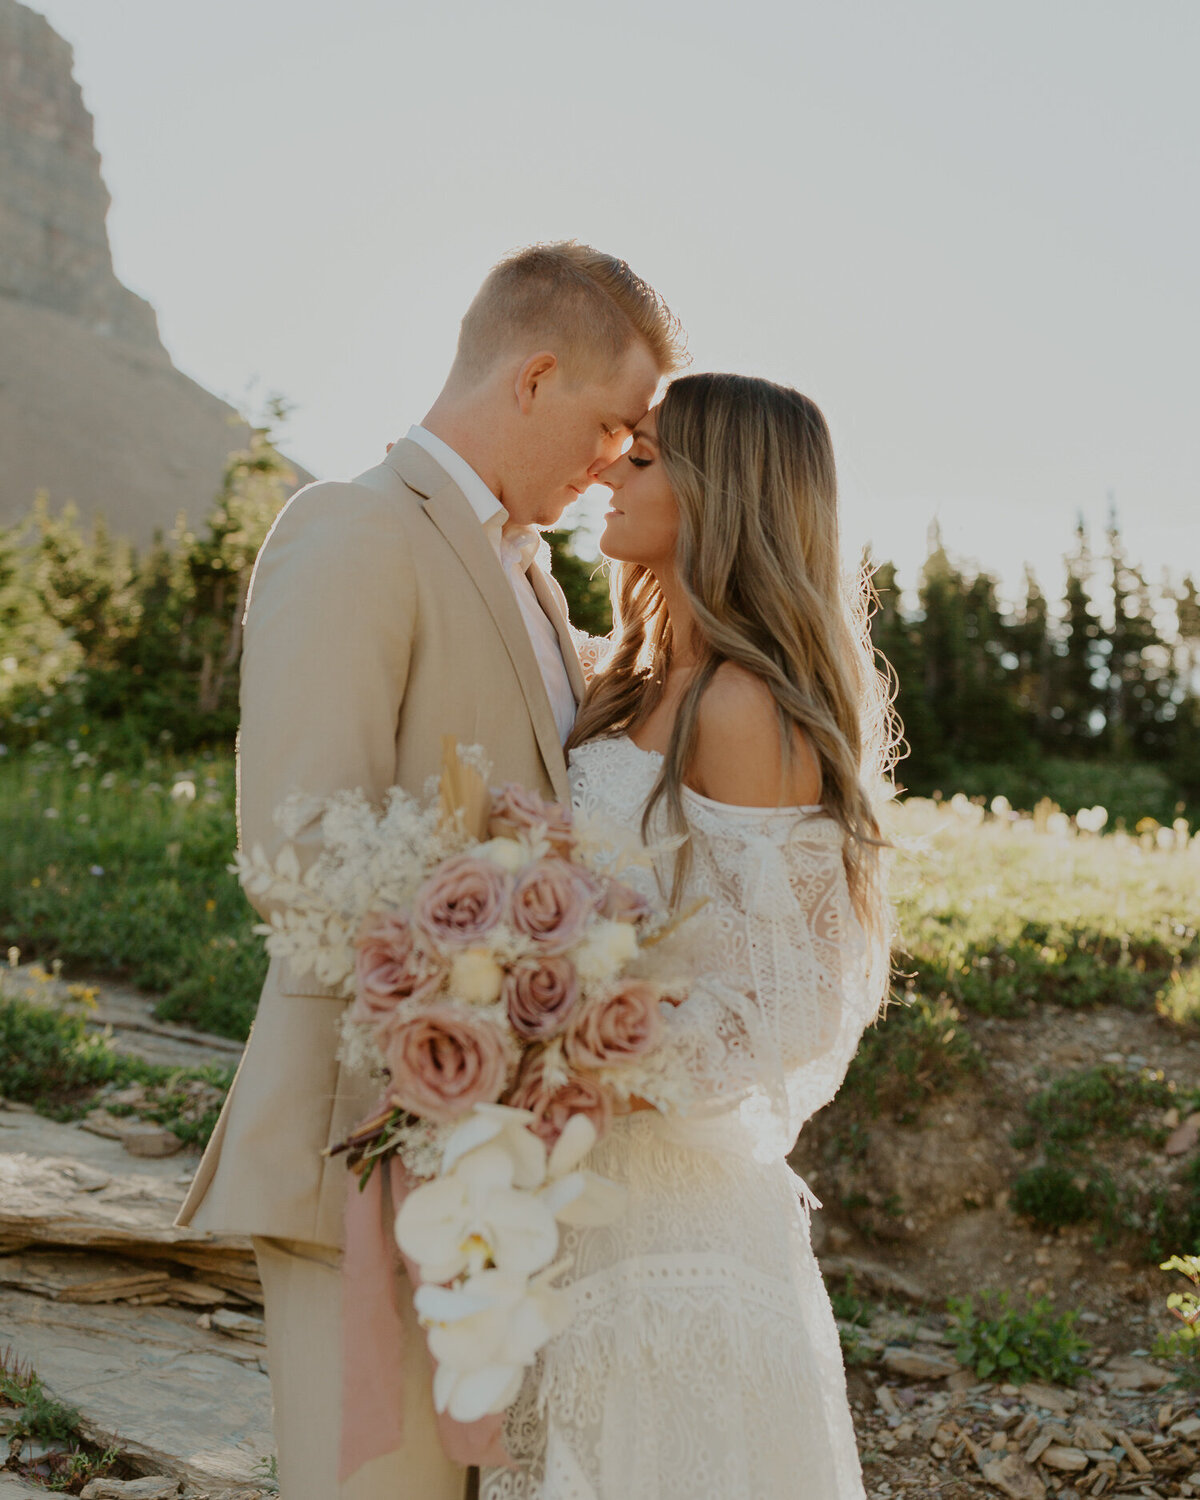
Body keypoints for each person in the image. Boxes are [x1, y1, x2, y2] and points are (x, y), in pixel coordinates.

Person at [174, 242, 685, 1500]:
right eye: (614, 422)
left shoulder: (541, 584)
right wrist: (509, 985)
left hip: (506, 1153)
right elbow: (299, 852)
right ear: (535, 373)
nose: (622, 456)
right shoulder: (353, 530)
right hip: (367, 1135)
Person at [481, 373, 897, 1500]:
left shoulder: (745, 706)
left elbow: (797, 998)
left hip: (676, 1226)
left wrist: (594, 1054)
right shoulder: (630, 682)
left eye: (647, 457)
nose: (611, 466)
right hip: (573, 1199)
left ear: (725, 496)